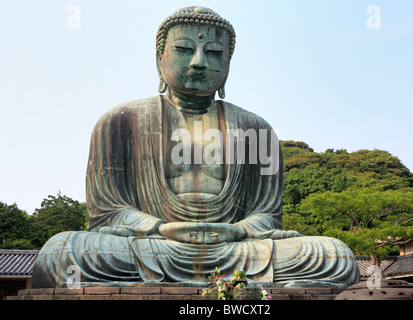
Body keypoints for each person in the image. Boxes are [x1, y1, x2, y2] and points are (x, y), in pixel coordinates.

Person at [32, 7, 360, 288]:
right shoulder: (120, 121)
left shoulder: (256, 129)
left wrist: (235, 231)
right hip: (153, 246)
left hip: (236, 249)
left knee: (334, 255)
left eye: (214, 53)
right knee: (61, 254)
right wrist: (160, 227)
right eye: (185, 50)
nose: (200, 61)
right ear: (160, 58)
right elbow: (107, 213)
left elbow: (267, 216)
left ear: (228, 64)